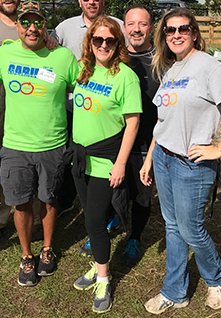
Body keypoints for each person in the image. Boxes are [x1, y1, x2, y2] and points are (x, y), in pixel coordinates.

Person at [140, 8, 221, 314]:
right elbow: (163, 121)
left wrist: (219, 148)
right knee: (173, 227)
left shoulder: (207, 66)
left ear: (194, 33)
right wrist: (150, 158)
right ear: (163, 36)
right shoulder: (171, 68)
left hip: (192, 165)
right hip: (164, 157)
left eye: (184, 29)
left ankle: (218, 278)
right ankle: (175, 292)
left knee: (191, 229)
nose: (176, 34)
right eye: (170, 30)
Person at [0, 1, 79, 287]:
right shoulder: (3, 54)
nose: (32, 28)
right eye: (26, 22)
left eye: (38, 22)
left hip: (52, 144)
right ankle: (27, 254)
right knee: (20, 202)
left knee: (49, 198)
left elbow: (85, 88)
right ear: (17, 25)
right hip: (15, 145)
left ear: (46, 26)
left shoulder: (63, 57)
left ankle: (47, 248)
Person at [71, 16, 141, 313]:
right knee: (90, 216)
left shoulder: (125, 76)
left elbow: (133, 122)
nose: (103, 45)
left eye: (109, 41)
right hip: (79, 158)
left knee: (95, 223)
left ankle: (103, 278)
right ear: (89, 42)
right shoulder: (82, 70)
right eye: (97, 40)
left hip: (104, 161)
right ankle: (99, 263)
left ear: (117, 44)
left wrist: (121, 163)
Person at [0, 0, 57, 245]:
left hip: (28, 109)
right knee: (6, 166)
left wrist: (50, 39)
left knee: (33, 162)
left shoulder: (33, 23)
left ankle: (37, 218)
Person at [52, 0, 125, 256]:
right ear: (79, 1)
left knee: (106, 170)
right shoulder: (65, 27)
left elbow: (125, 59)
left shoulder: (116, 25)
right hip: (75, 108)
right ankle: (72, 203)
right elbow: (51, 51)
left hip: (107, 109)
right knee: (76, 160)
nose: (92, 1)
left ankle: (104, 219)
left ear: (102, 0)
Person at [120, 4, 158, 266]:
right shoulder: (115, 57)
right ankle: (112, 223)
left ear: (151, 28)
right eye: (131, 24)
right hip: (116, 140)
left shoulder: (162, 61)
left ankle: (135, 236)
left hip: (147, 141)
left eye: (142, 24)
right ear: (124, 28)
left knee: (142, 194)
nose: (136, 29)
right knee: (113, 187)